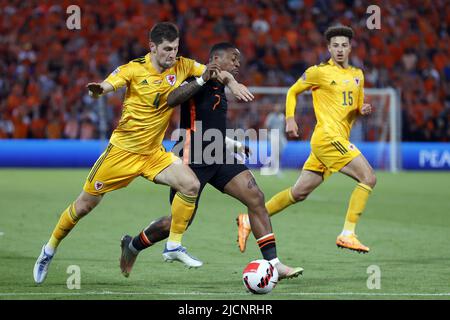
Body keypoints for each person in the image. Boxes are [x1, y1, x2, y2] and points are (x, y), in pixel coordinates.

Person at [33, 22, 253, 284]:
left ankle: (173, 246)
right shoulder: (134, 69)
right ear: (153, 47)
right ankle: (48, 250)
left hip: (153, 154)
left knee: (190, 184)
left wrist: (232, 82)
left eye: (176, 48)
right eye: (167, 49)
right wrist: (100, 90)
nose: (172, 54)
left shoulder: (182, 65)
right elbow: (109, 84)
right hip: (122, 154)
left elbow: (214, 71)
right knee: (83, 206)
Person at [119, 43, 303, 280]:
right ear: (216, 58)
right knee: (178, 223)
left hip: (217, 152)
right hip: (191, 156)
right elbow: (174, 100)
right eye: (234, 59)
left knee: (255, 196)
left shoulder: (221, 84)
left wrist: (232, 144)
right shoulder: (195, 77)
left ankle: (274, 263)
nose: (238, 64)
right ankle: (132, 245)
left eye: (239, 61)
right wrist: (204, 80)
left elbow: (208, 124)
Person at [237, 25, 376, 254]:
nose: (340, 50)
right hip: (327, 138)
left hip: (336, 139)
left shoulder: (357, 75)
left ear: (350, 47)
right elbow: (292, 91)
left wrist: (362, 110)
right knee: (368, 178)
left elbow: (354, 109)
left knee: (298, 193)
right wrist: (290, 119)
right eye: (335, 46)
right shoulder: (318, 72)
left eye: (344, 45)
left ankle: (248, 220)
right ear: (329, 48)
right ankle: (348, 233)